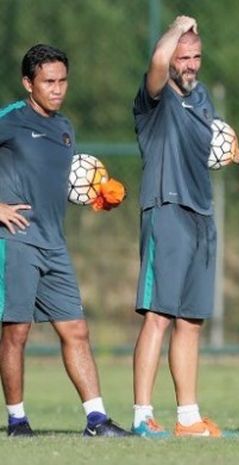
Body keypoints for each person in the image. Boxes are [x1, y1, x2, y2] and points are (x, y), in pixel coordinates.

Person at [131, 15, 239, 438]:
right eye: (182, 57)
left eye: (195, 56)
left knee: (190, 321)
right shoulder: (154, 98)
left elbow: (220, 136)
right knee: (158, 317)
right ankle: (142, 416)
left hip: (202, 215)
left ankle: (187, 418)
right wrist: (177, 27)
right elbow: (156, 58)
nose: (189, 64)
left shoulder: (201, 96)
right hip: (166, 209)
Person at [0, 44, 129, 437]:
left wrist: (95, 196)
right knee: (16, 332)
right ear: (28, 83)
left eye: (63, 81)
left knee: (76, 330)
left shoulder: (65, 128)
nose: (57, 89)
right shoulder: (10, 119)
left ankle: (96, 419)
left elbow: (58, 181)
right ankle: (18, 420)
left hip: (55, 244)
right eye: (48, 82)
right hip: (16, 238)